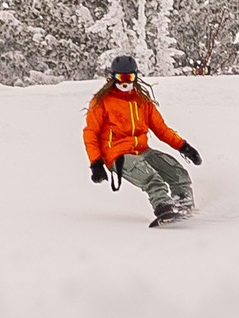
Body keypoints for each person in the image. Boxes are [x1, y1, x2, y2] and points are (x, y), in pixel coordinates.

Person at [83, 54, 203, 227]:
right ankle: (164, 208)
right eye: (121, 78)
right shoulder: (102, 102)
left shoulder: (142, 101)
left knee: (176, 171)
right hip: (117, 155)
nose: (125, 83)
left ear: (135, 77)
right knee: (150, 177)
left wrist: (183, 147)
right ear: (113, 78)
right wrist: (96, 163)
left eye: (129, 77)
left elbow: (161, 129)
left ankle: (184, 205)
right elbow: (91, 133)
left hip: (142, 151)